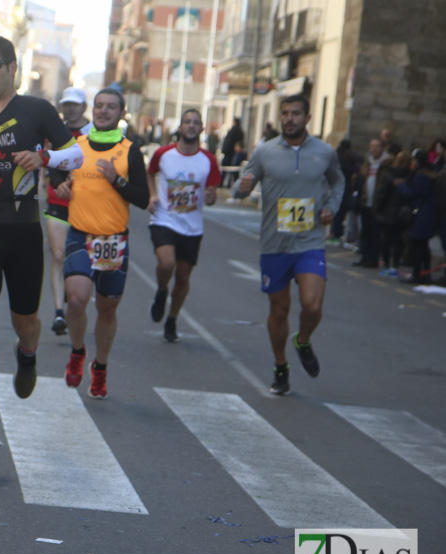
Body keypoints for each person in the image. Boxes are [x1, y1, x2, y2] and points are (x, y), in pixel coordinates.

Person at [0, 35, 83, 456]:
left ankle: (28, 355)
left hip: (24, 235)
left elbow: (74, 156)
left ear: (12, 68)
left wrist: (44, 159)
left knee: (27, 322)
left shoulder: (37, 111)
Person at [235, 94, 344, 395]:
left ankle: (303, 340)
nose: (290, 119)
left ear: (308, 118)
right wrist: (241, 187)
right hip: (275, 244)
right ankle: (281, 365)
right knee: (279, 310)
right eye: (285, 113)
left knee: (312, 304)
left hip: (309, 241)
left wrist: (331, 208)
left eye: (296, 113)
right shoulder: (265, 151)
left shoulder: (324, 153)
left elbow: (339, 181)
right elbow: (243, 185)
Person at [53, 88, 149, 400]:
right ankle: (78, 351)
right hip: (80, 234)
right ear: (92, 110)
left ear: (121, 113)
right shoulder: (76, 146)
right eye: (99, 106)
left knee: (107, 309)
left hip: (113, 241)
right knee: (77, 300)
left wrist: (116, 180)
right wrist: (63, 186)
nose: (103, 111)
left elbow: (143, 198)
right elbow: (56, 175)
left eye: (110, 107)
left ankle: (101, 367)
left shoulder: (130, 151)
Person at [146, 108, 220, 342]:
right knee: (166, 264)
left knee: (184, 278)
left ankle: (172, 319)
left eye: (196, 123)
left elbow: (212, 192)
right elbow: (150, 173)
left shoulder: (208, 160)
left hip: (192, 226)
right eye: (187, 122)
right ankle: (161, 290)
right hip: (164, 220)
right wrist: (151, 196)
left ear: (202, 129)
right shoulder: (163, 154)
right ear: (180, 127)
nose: (191, 126)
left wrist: (211, 197)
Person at [43, 86, 93, 337]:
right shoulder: (54, 132)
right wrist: (56, 183)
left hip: (86, 205)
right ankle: (59, 312)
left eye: (75, 104)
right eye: (66, 104)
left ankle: (76, 303)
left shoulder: (93, 134)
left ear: (84, 107)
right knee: (59, 255)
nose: (70, 108)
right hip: (57, 202)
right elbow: (48, 161)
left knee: (82, 260)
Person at [398, 149, 439, 285]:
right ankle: (425, 272)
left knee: (417, 245)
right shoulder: (430, 174)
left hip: (421, 214)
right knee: (423, 245)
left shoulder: (420, 176)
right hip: (427, 213)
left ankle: (418, 273)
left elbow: (411, 194)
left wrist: (402, 185)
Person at [373, 148, 411, 278]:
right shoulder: (410, 175)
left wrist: (378, 208)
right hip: (402, 213)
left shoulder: (389, 174)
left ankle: (387, 264)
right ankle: (395, 265)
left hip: (388, 211)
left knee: (386, 239)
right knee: (398, 240)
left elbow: (382, 193)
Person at [354, 139, 389, 268]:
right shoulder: (367, 161)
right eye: (372, 146)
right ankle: (364, 256)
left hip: (377, 203)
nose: (374, 149)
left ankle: (373, 259)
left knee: (375, 232)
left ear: (382, 148)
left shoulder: (386, 162)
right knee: (365, 231)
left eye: (377, 146)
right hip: (365, 201)